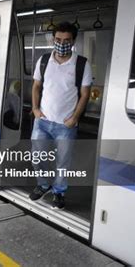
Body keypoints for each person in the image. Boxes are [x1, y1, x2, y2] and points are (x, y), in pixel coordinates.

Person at [29, 21, 92, 209]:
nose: (61, 43)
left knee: (62, 162)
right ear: (53, 39)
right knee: (36, 157)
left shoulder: (81, 64)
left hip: (66, 125)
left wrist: (74, 119)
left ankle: (59, 192)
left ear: (73, 41)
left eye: (66, 40)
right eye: (58, 39)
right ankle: (43, 185)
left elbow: (85, 93)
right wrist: (35, 109)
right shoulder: (44, 60)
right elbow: (36, 87)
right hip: (43, 121)